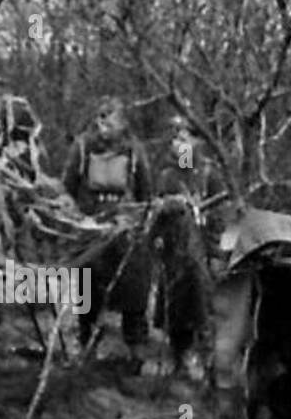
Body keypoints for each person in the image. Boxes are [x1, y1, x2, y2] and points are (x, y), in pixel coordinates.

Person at [61, 96, 153, 362]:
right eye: (101, 116)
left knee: (134, 291)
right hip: (90, 229)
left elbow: (145, 192)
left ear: (122, 122)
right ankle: (87, 340)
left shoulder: (135, 151)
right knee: (88, 290)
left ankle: (135, 350)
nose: (104, 123)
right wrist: (74, 219)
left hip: (125, 232)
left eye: (110, 117)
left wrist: (138, 220)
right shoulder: (81, 148)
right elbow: (66, 188)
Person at [153, 114, 219, 378]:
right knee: (175, 306)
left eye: (184, 138)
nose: (178, 143)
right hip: (173, 251)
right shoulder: (167, 176)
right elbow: (155, 213)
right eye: (176, 138)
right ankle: (178, 357)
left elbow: (219, 216)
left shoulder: (208, 174)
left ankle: (206, 361)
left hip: (199, 251)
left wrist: (214, 251)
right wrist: (156, 236)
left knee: (202, 305)